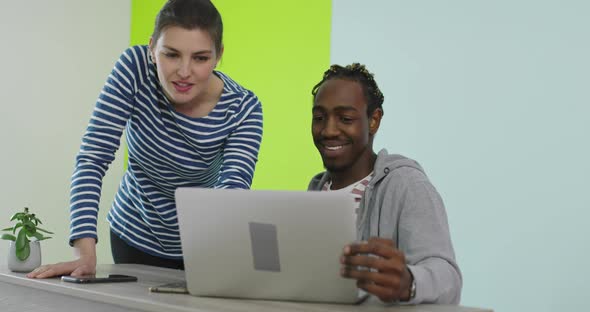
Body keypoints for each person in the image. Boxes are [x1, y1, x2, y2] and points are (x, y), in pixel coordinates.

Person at [27, 0, 263, 278]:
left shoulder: (244, 108)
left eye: (200, 58)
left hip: (203, 245)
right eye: (171, 54)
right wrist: (84, 254)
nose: (184, 71)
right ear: (152, 48)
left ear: (218, 55)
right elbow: (93, 157)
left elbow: (233, 191)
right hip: (133, 233)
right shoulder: (135, 69)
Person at [308, 63, 461, 304]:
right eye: (319, 118)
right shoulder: (315, 191)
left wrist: (409, 282)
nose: (328, 130)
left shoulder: (407, 185)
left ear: (374, 120)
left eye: (345, 118)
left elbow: (448, 277)